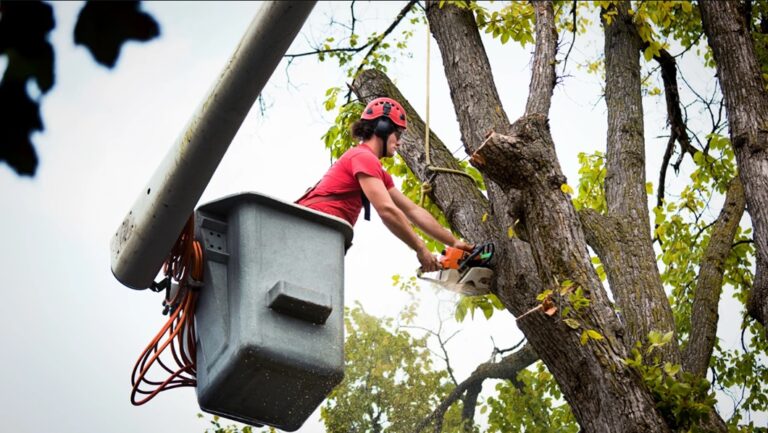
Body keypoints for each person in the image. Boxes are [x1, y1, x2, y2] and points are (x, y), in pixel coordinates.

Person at [297, 97, 473, 272]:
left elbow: (413, 210)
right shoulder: (363, 157)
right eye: (398, 134)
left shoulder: (375, 170)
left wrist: (454, 242)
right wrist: (420, 248)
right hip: (308, 228)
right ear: (383, 128)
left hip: (322, 233)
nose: (400, 142)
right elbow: (387, 210)